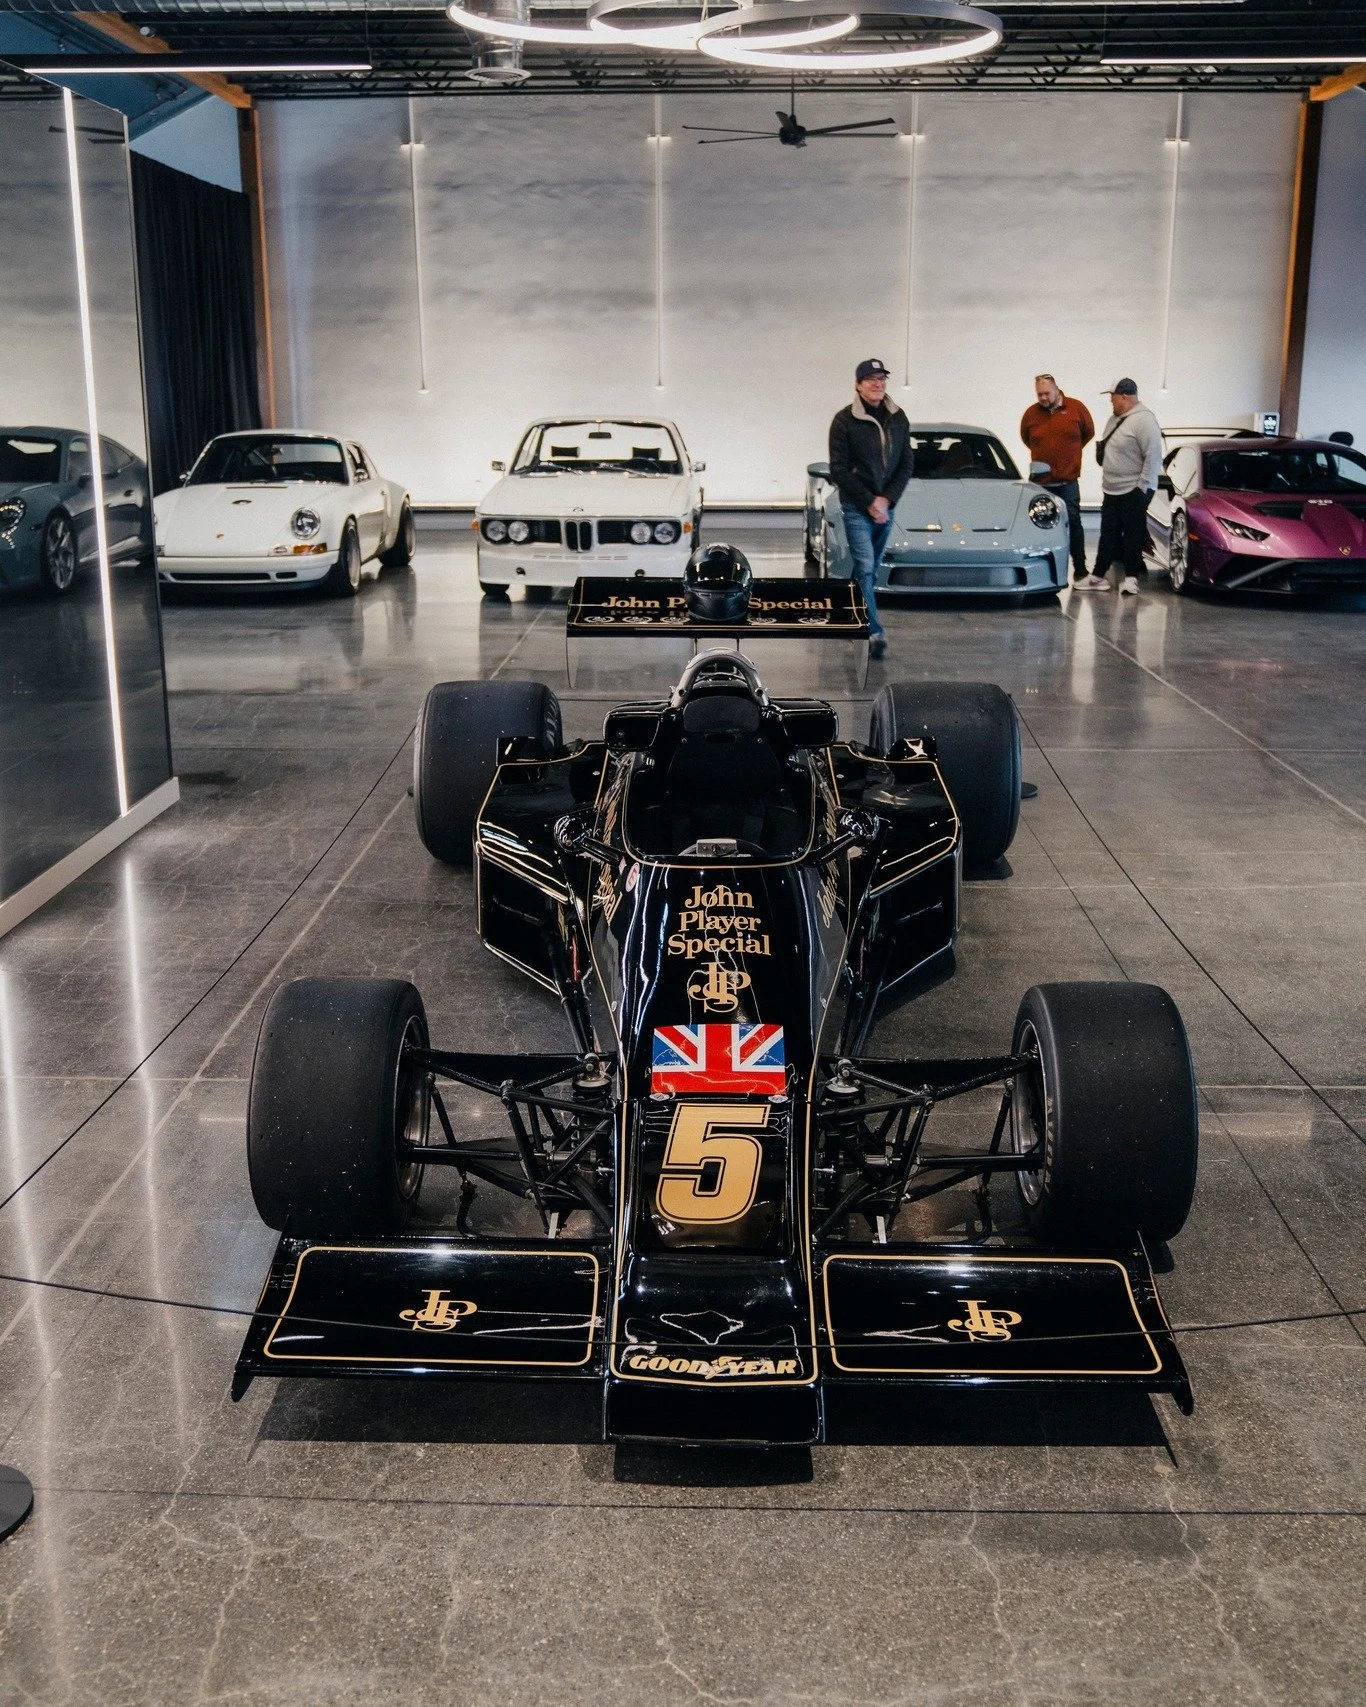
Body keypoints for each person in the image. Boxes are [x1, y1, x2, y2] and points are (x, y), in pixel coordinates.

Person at [828, 357, 913, 660]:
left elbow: (906, 464)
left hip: (886, 507)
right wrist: (869, 501)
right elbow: (838, 469)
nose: (878, 384)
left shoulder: (898, 417)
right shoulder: (844, 421)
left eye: (882, 379)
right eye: (871, 379)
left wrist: (886, 500)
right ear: (858, 385)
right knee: (865, 567)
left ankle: (851, 610)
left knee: (870, 570)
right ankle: (873, 630)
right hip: (856, 507)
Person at [1081, 378, 1163, 595]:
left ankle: (1131, 578)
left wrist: (1142, 487)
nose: (1111, 401)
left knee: (1133, 534)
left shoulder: (1144, 421)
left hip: (1134, 489)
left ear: (1125, 397)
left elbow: (1153, 456)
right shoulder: (1115, 419)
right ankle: (1098, 575)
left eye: (1113, 397)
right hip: (1112, 488)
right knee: (1108, 532)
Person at [1019, 374, 1094, 583]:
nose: (1043, 398)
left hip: (1067, 481)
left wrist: (1069, 456)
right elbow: (1026, 438)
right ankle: (1037, 569)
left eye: (1046, 393)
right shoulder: (1031, 414)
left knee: (1074, 523)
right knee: (1037, 525)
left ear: (1057, 390)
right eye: (1039, 394)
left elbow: (1088, 433)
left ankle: (1080, 569)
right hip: (1040, 484)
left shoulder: (1076, 408)